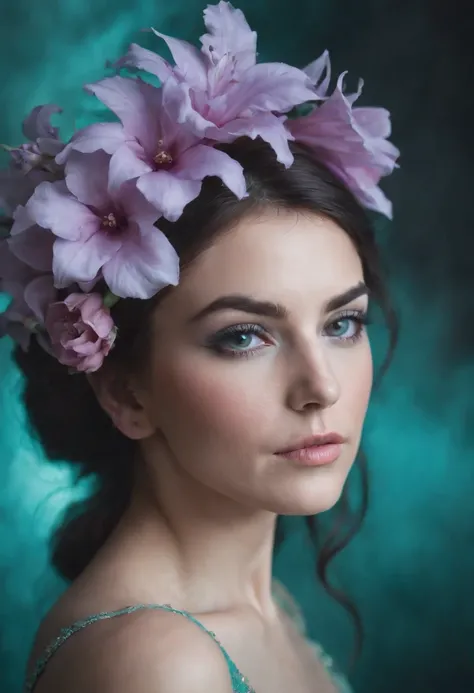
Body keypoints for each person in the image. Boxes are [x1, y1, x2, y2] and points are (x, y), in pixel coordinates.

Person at [0, 3, 399, 692]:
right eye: (244, 336)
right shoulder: (157, 665)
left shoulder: (269, 608)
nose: (322, 386)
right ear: (125, 390)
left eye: (342, 324)